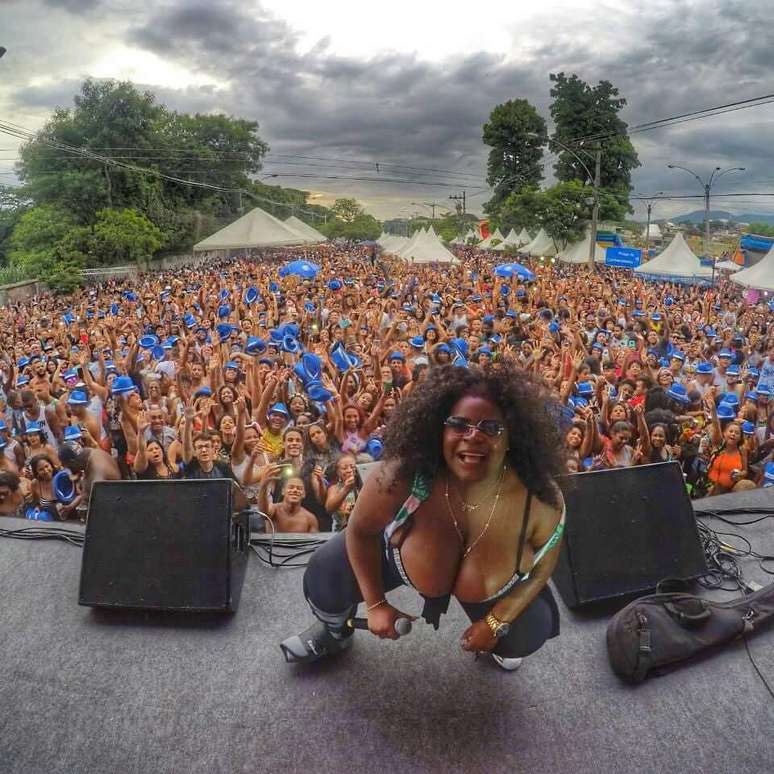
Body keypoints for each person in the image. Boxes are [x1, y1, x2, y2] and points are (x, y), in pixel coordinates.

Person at [281, 363, 566, 671]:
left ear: (513, 435)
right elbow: (360, 532)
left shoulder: (538, 497)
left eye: (491, 427)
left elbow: (540, 571)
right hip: (396, 558)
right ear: (438, 429)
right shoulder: (400, 476)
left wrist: (497, 622)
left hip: (494, 585)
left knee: (528, 631)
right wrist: (375, 604)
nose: (473, 436)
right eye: (459, 424)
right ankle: (335, 633)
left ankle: (502, 639)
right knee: (325, 575)